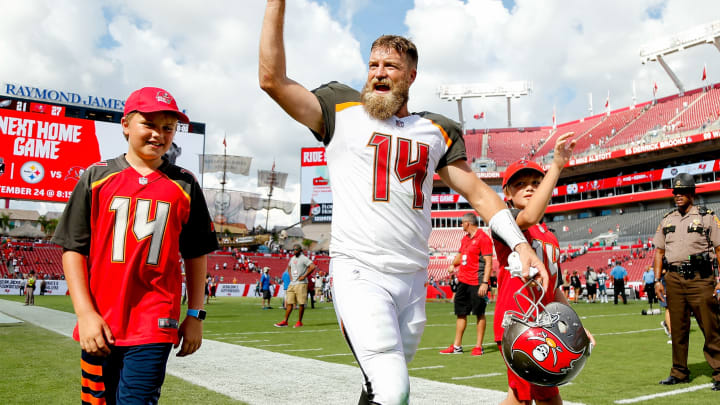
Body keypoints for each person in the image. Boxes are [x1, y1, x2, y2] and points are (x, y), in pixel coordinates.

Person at [259, 2, 549, 403]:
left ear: (411, 76)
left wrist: (519, 244)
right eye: (373, 64)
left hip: (412, 278)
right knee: (393, 390)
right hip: (360, 269)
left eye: (390, 66)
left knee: (378, 384)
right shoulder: (341, 109)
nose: (379, 72)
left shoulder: (435, 129)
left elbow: (479, 193)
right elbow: (272, 80)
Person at [52, 87, 218, 404]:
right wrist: (85, 314)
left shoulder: (185, 184)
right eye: (149, 124)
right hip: (100, 320)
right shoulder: (95, 177)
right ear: (126, 124)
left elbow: (196, 253)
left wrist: (195, 314)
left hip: (155, 322)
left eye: (168, 127)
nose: (159, 134)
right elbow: (73, 249)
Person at [492, 134, 594, 405]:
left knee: (546, 395)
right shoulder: (508, 222)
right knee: (523, 397)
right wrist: (557, 166)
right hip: (517, 323)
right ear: (508, 194)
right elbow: (530, 216)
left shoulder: (549, 234)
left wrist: (577, 326)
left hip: (544, 323)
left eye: (536, 183)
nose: (530, 188)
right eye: (521, 184)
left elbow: (554, 289)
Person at [653, 173, 720, 391]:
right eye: (675, 193)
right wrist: (657, 280)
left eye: (682, 192)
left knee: (710, 327)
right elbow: (659, 252)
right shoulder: (667, 219)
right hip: (673, 279)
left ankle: (719, 372)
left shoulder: (707, 216)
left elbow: (719, 250)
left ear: (692, 193)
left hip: (700, 279)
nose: (678, 196)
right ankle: (679, 372)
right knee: (678, 330)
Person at [440, 213, 492, 356]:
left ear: (468, 223)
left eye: (462, 223)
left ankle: (478, 346)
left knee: (479, 313)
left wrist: (485, 283)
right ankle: (457, 346)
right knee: (460, 313)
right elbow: (460, 255)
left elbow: (489, 262)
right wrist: (452, 264)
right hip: (463, 281)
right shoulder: (465, 239)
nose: (461, 225)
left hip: (477, 282)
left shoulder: (484, 238)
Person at [274, 245, 316, 328]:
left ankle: (299, 322)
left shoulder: (304, 258)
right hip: (292, 283)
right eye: (293, 249)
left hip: (301, 283)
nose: (294, 251)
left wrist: (304, 276)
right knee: (289, 302)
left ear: (300, 250)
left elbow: (312, 266)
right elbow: (289, 267)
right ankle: (285, 321)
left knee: (301, 303)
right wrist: (290, 277)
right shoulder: (292, 259)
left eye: (296, 249)